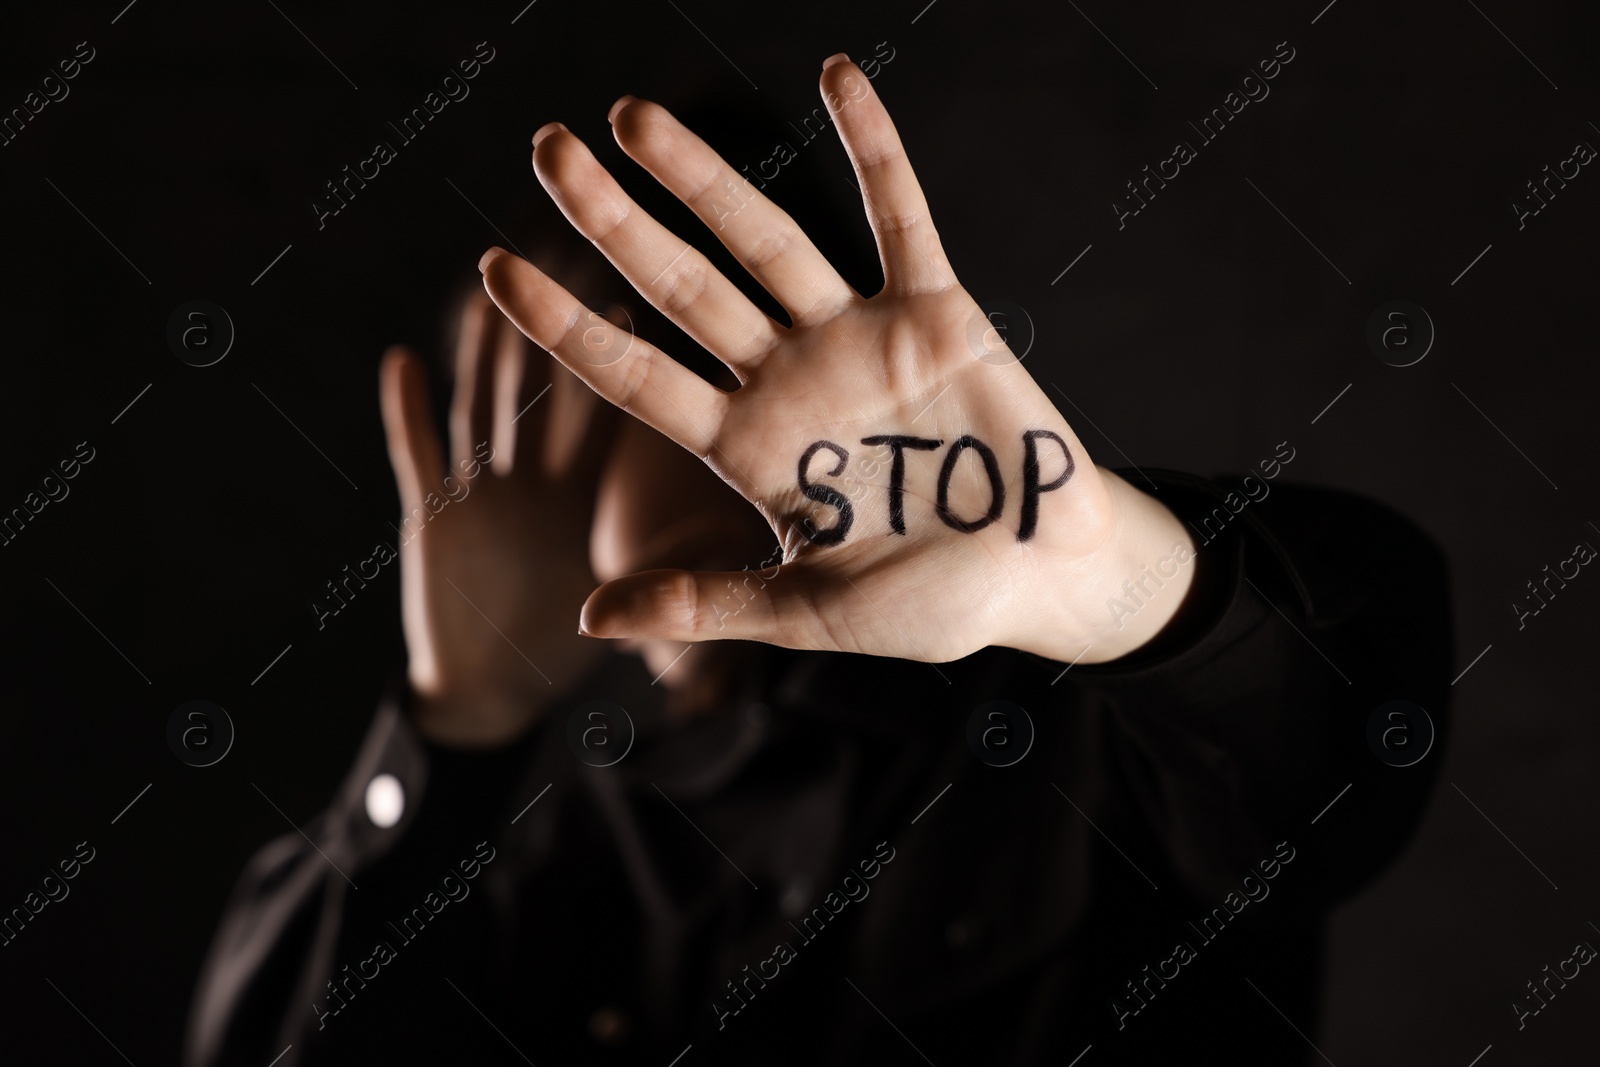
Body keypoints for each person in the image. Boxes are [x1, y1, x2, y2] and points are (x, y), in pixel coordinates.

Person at [186, 55, 1451, 1066]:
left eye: (560, 391)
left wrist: (1117, 586)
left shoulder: (1066, 735)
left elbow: (1335, 752)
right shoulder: (566, 854)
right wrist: (449, 730)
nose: (508, 488)